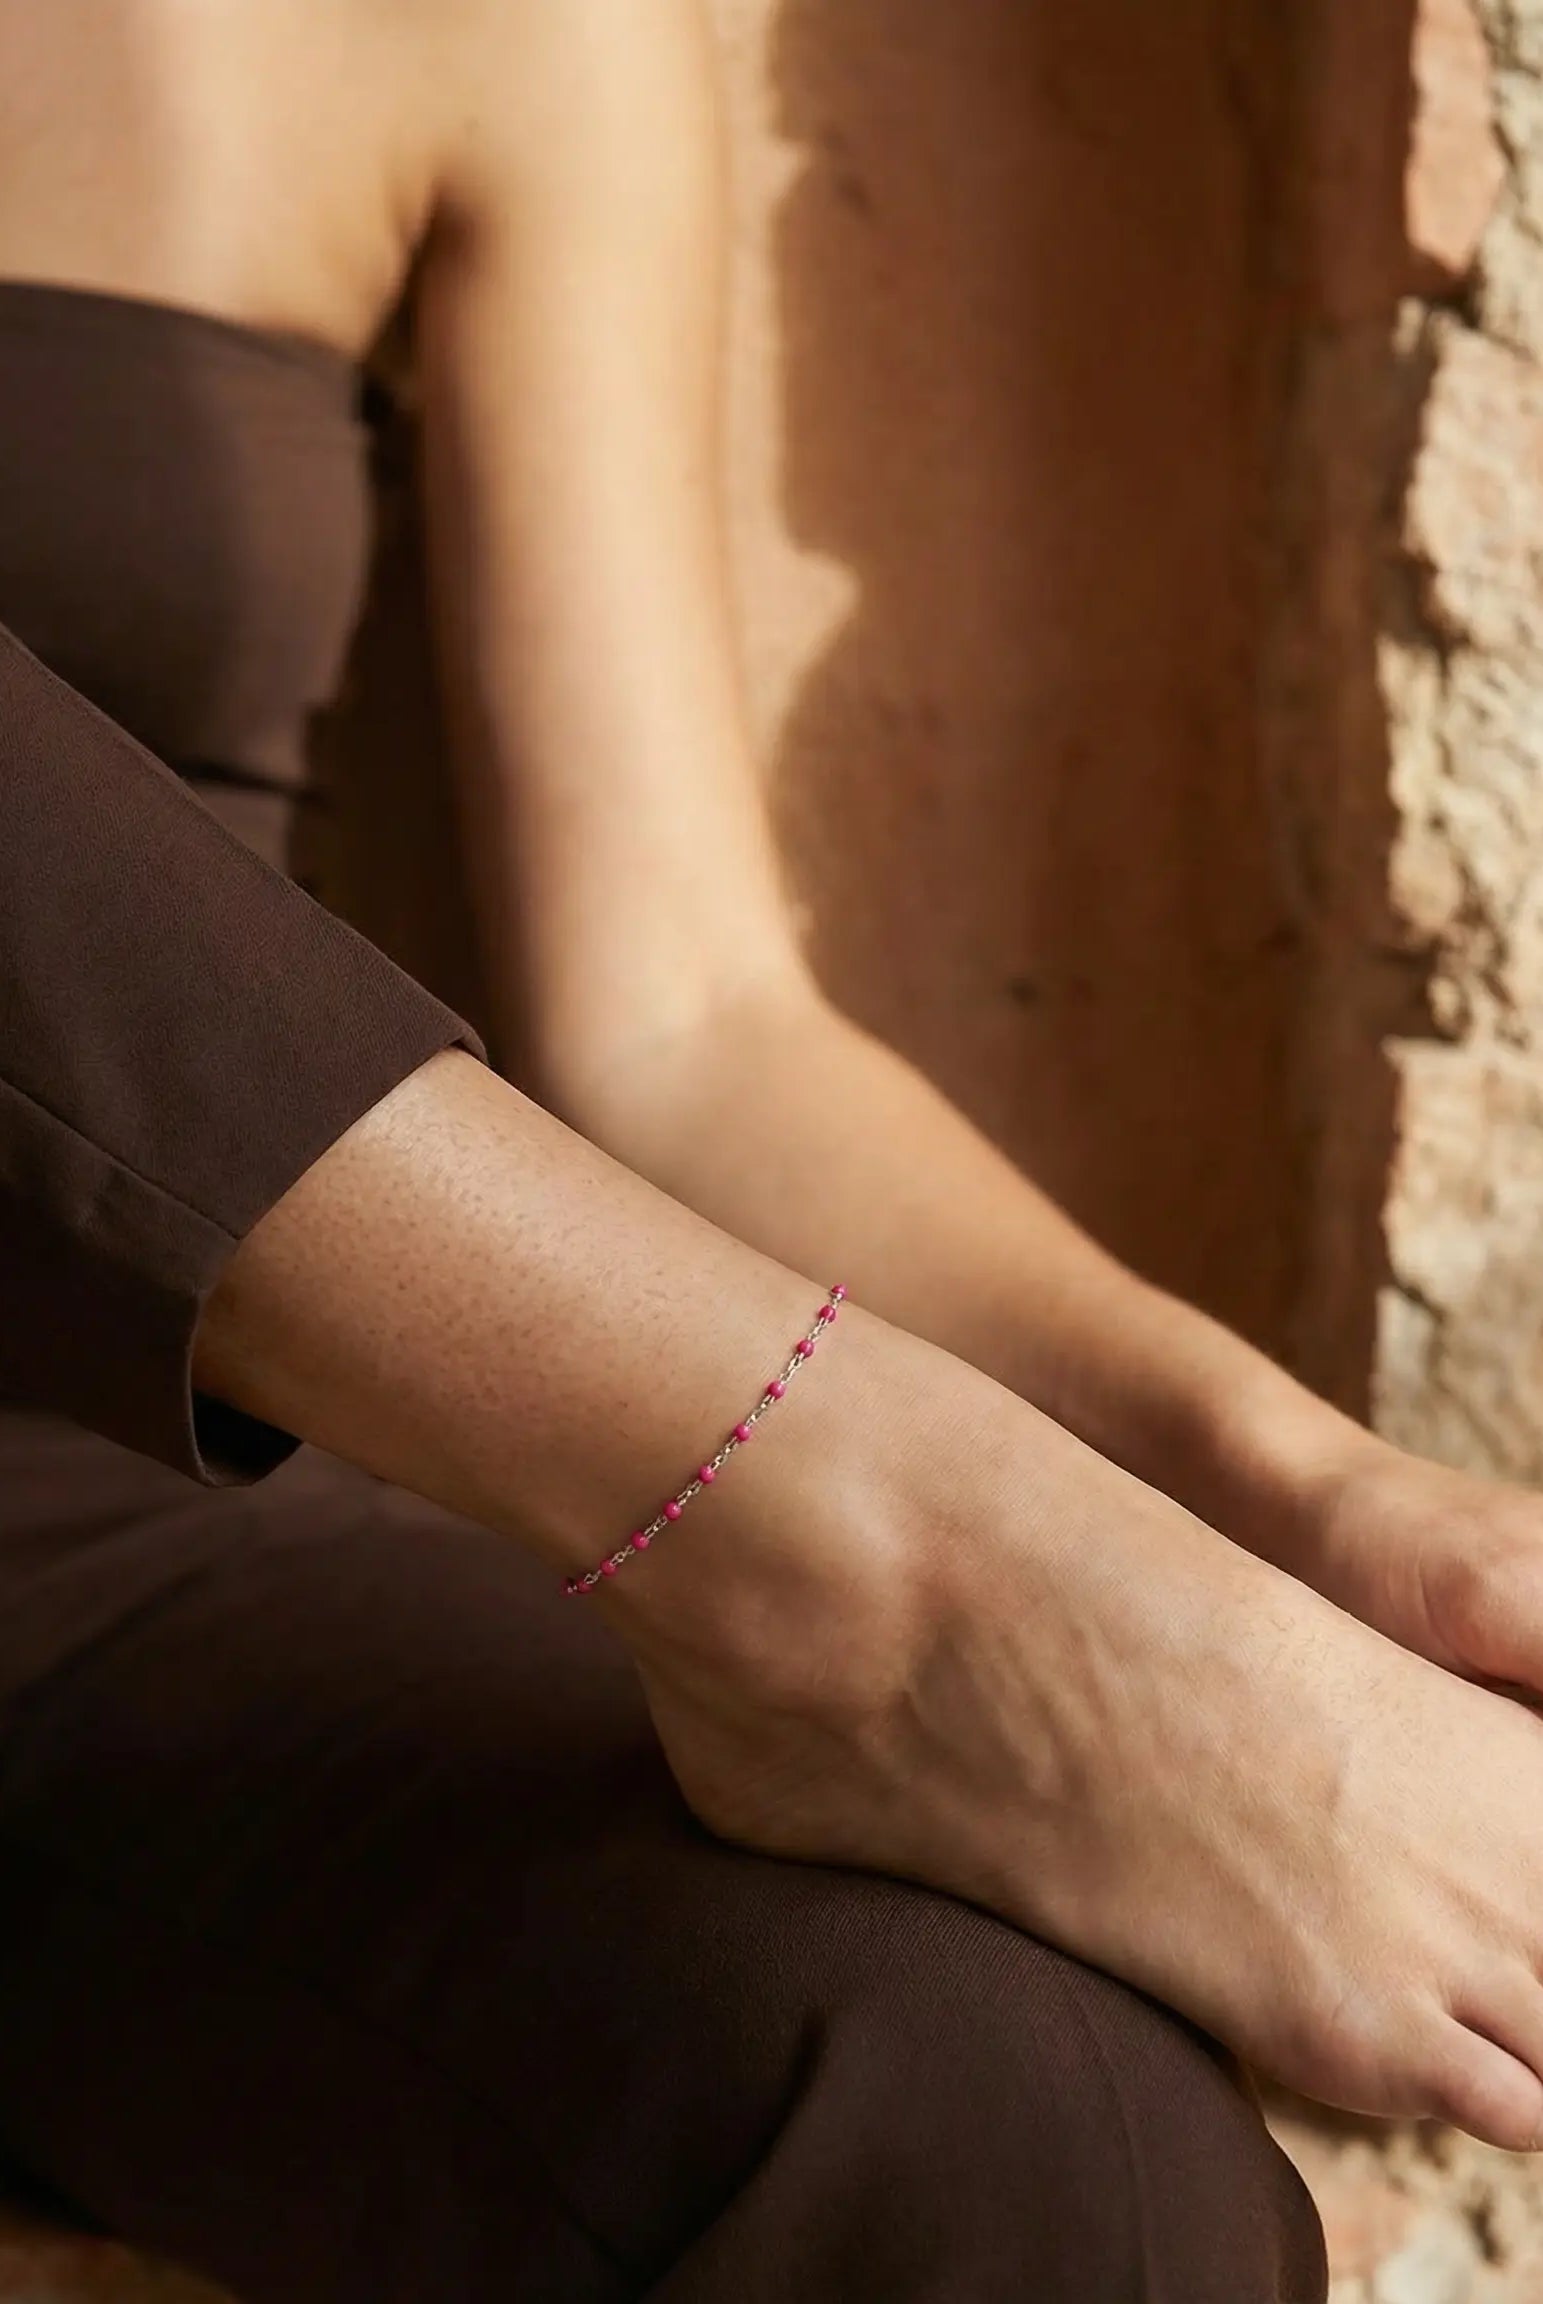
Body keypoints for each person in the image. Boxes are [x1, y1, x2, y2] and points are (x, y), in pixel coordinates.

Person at [4, 3, 1543, 2298]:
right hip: (693, 1476)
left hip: (90, 1527)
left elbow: (686, 1029)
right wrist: (900, 1536)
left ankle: (870, 1522)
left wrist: (1278, 1488)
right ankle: (851, 1541)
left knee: (1004, 2121)